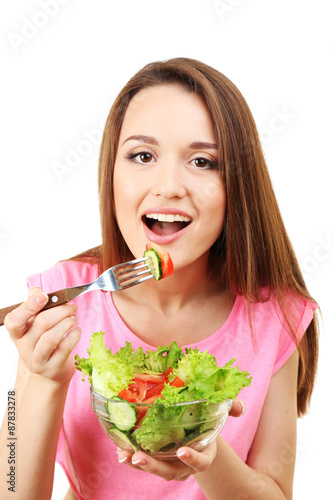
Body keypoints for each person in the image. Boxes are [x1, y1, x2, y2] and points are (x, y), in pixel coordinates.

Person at [0, 58, 319, 500]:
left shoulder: (276, 317)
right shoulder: (62, 298)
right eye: (143, 156)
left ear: (237, 185)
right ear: (112, 174)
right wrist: (42, 382)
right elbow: (12, 488)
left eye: (203, 161)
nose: (169, 185)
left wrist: (203, 450)